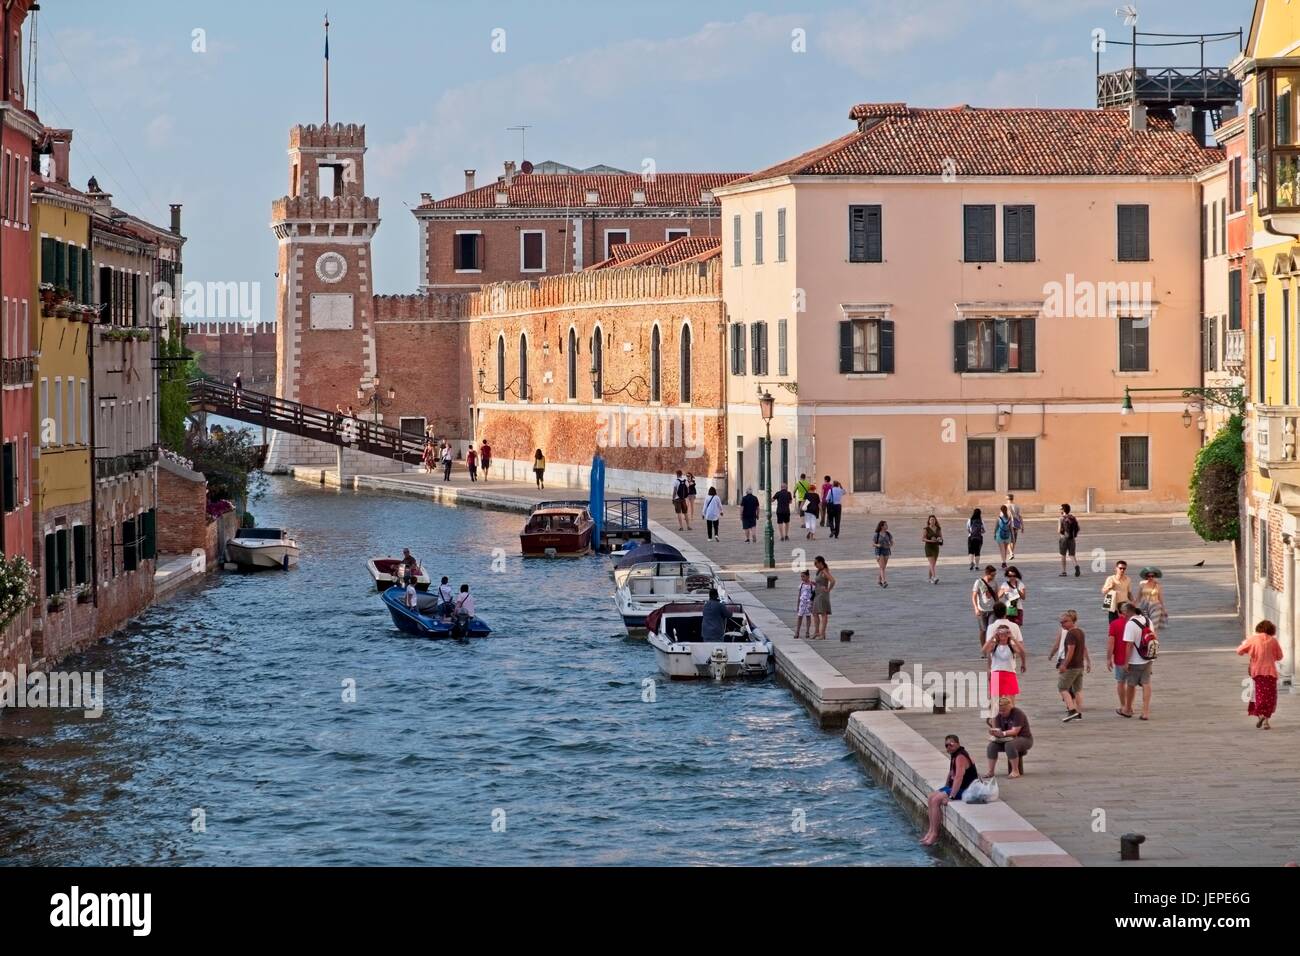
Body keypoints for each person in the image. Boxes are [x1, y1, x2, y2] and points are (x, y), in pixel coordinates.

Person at [921, 735, 978, 846]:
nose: (948, 747)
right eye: (946, 745)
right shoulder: (954, 754)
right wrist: (945, 787)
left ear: (957, 743)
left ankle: (935, 834)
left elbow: (959, 777)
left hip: (966, 789)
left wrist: (951, 796)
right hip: (955, 787)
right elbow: (951, 772)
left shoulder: (961, 756)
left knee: (936, 800)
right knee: (931, 797)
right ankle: (931, 830)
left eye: (951, 744)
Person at [1239, 620, 1285, 730]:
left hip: (1257, 672)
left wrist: (1250, 650)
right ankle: (1266, 721)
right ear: (1271, 630)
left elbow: (1239, 651)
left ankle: (1260, 715)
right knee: (1270, 696)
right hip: (1270, 672)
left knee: (1259, 694)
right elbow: (1280, 656)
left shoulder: (1253, 639)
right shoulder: (1273, 641)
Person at [1118, 605, 1155, 720]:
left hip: (1135, 660)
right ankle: (1145, 712)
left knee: (1131, 684)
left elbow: (1128, 645)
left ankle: (1128, 709)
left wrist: (1126, 662)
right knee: (1146, 683)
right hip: (1148, 657)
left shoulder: (1130, 624)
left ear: (1127, 612)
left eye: (1123, 612)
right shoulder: (1148, 620)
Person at [986, 696, 1032, 778]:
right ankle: (991, 771)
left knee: (1010, 745)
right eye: (999, 711)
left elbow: (1015, 731)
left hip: (1024, 738)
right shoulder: (998, 714)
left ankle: (1015, 771)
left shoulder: (1017, 713)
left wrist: (1002, 733)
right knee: (991, 746)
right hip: (1006, 739)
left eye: (1003, 711)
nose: (1001, 713)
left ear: (1010, 708)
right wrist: (994, 732)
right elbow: (997, 729)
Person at [982, 623, 1026, 708]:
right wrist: (993, 637)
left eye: (1005, 633)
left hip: (1009, 674)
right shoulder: (994, 645)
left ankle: (1011, 719)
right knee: (995, 703)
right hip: (996, 674)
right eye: (1000, 633)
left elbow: (1022, 651)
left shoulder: (1011, 646)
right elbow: (983, 650)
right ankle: (995, 719)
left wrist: (1013, 637)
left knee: (1011, 702)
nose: (1003, 635)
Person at [1105, 602, 1135, 711]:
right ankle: (1129, 706)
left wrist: (1108, 658)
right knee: (1131, 683)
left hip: (1120, 658)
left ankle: (1123, 705)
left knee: (1121, 682)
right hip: (1134, 659)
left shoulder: (1114, 624)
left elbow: (1111, 643)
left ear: (1118, 612)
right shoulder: (1135, 622)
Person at [1056, 625, 1089, 722]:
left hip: (1071, 666)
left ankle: (1072, 710)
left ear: (1072, 621)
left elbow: (1070, 650)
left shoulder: (1070, 633)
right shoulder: (1080, 631)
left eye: (1065, 621)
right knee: (1077, 690)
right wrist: (1088, 661)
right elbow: (1084, 647)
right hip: (1079, 665)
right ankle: (1078, 713)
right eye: (1061, 622)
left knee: (1062, 687)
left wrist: (1064, 665)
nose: (1062, 624)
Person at [971, 564, 998, 648]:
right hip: (982, 610)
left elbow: (996, 595)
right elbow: (974, 596)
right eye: (992, 575)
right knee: (983, 630)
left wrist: (998, 608)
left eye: (995, 575)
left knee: (992, 629)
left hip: (992, 610)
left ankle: (991, 648)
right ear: (987, 573)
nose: (993, 577)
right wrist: (976, 608)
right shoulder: (978, 582)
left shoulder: (994, 582)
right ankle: (984, 649)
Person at [812, 555, 834, 640]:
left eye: (816, 563)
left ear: (821, 563)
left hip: (822, 595)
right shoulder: (819, 571)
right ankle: (817, 631)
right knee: (815, 613)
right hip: (817, 594)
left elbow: (833, 580)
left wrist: (828, 589)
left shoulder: (824, 571)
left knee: (823, 614)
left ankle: (822, 634)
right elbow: (820, 582)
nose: (815, 565)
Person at [1057, 503, 1080, 577]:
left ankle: (1064, 571)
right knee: (1072, 555)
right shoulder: (1073, 518)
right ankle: (1076, 566)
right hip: (1072, 538)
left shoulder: (1061, 518)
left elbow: (1059, 530)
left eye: (1061, 508)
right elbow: (1078, 528)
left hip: (1063, 538)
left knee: (1063, 555)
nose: (1060, 510)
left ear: (1063, 510)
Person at [793, 570, 815, 639]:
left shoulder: (812, 585)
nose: (802, 578)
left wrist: (812, 604)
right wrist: (797, 605)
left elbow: (814, 595)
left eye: (803, 576)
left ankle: (807, 631)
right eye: (801, 576)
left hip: (808, 603)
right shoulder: (801, 585)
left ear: (808, 576)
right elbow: (799, 595)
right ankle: (797, 631)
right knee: (800, 617)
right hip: (802, 603)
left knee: (808, 617)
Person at [922, 515, 943, 584]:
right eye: (931, 520)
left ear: (935, 520)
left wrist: (939, 539)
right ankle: (934, 577)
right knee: (931, 563)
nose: (932, 521)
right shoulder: (926, 529)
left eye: (933, 520)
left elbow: (941, 537)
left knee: (933, 564)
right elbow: (923, 539)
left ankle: (929, 578)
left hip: (936, 547)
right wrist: (930, 541)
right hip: (928, 547)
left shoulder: (938, 529)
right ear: (928, 521)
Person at [872, 520, 893, 588]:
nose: (887, 526)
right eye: (885, 525)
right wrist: (877, 545)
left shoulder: (888, 534)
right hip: (879, 551)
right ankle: (884, 581)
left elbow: (892, 542)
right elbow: (873, 544)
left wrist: (890, 545)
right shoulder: (877, 534)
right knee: (882, 567)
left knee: (883, 567)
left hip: (886, 551)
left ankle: (879, 580)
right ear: (881, 526)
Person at [1005, 493, 1023, 560]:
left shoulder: (1005, 506)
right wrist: (1022, 526)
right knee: (1014, 540)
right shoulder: (1017, 506)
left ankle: (1011, 553)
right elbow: (1020, 516)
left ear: (1007, 499)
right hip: (1016, 524)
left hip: (1008, 524)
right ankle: (1011, 553)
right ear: (1013, 498)